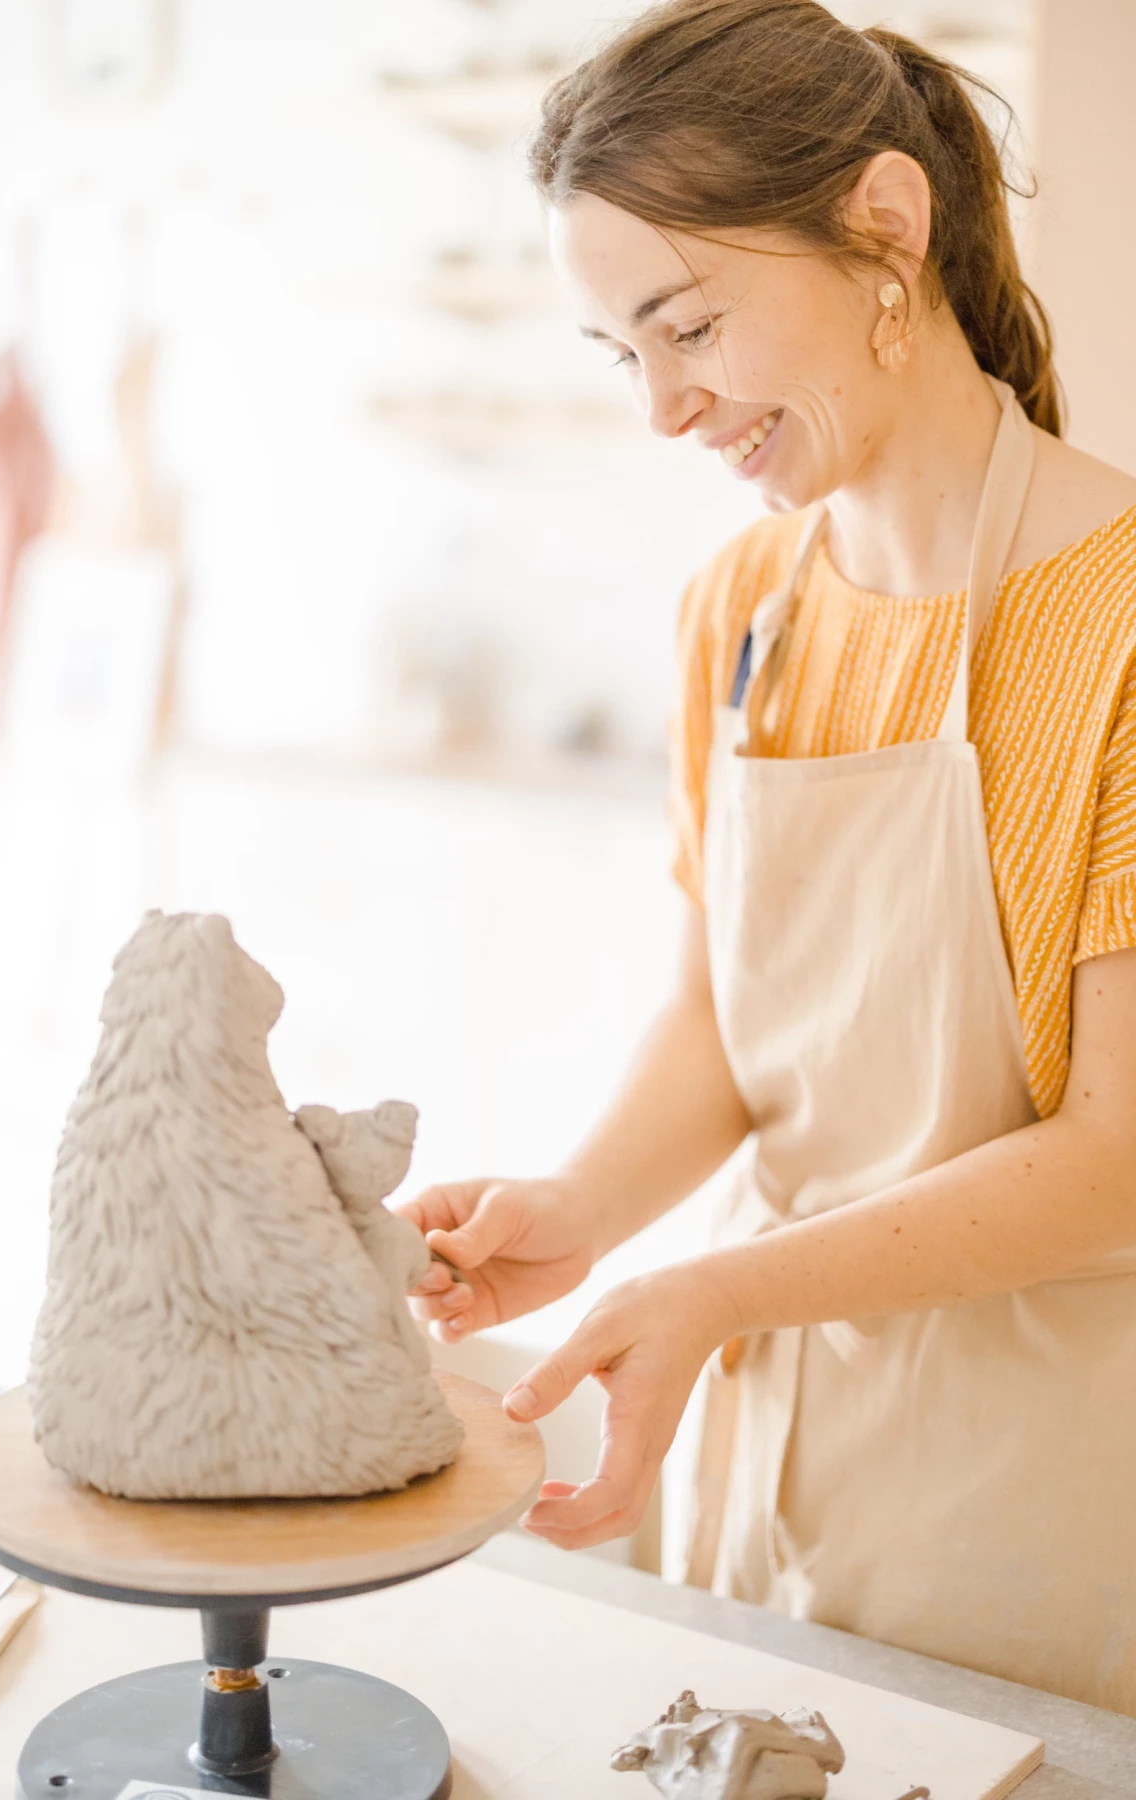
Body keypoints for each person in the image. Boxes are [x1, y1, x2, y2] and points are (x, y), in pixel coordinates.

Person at [401, 0, 1136, 1715]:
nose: (666, 409)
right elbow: (724, 1022)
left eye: (692, 324)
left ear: (889, 226)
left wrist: (714, 1286)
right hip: (758, 1468)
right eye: (623, 353)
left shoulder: (1119, 626)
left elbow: (1119, 1156)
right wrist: (583, 1213)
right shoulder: (742, 611)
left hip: (1037, 1505)